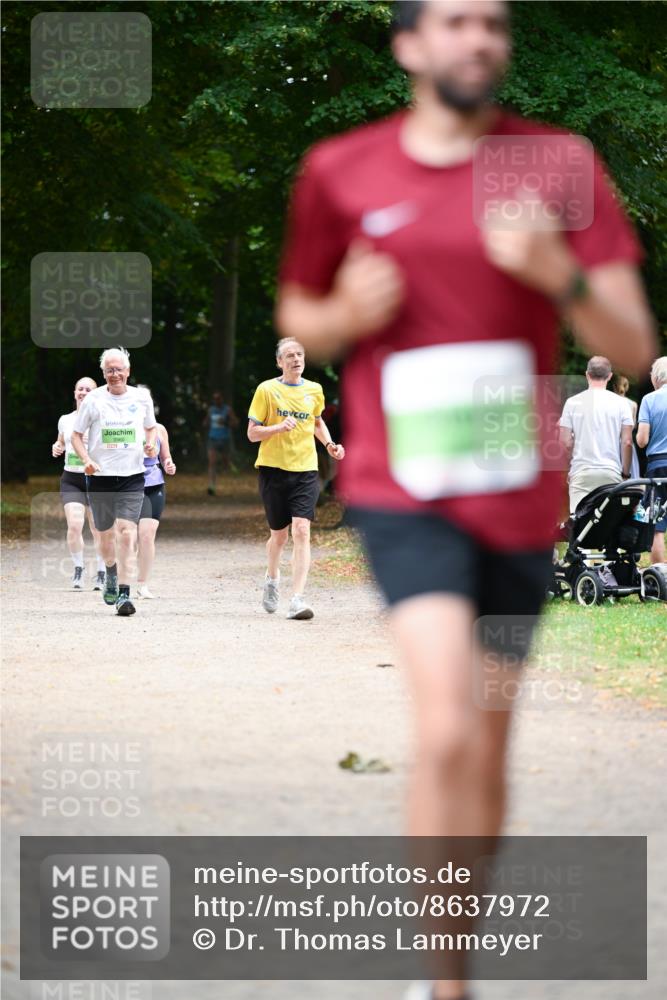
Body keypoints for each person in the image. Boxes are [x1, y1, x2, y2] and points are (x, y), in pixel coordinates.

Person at [275, 1, 656, 996]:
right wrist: (343, 316)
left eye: (491, 22)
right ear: (409, 45)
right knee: (445, 722)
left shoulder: (551, 163)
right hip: (403, 489)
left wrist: (558, 275)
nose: (477, 38)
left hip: (514, 492)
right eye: (453, 21)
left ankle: (451, 967)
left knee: (483, 745)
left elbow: (629, 344)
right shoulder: (341, 169)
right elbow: (299, 311)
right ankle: (441, 984)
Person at [247, 337, 344, 620]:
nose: (296, 359)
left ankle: (298, 599)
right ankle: (272, 578)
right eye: (289, 355)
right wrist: (277, 428)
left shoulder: (315, 390)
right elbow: (252, 433)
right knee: (279, 536)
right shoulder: (267, 390)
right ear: (279, 362)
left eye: (299, 354)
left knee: (301, 529)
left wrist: (329, 445)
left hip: (305, 469)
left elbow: (316, 421)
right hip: (273, 470)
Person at [70, 347, 157, 617]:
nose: (115, 374)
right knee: (105, 536)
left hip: (132, 476)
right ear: (103, 373)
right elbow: (76, 435)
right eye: (110, 370)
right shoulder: (93, 400)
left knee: (128, 533)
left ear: (128, 371)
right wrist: (86, 458)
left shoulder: (141, 397)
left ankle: (124, 594)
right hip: (100, 478)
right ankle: (109, 571)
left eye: (119, 369)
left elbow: (151, 427)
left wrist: (151, 444)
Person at [559, 356, 635, 514]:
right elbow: (627, 441)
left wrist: (568, 470)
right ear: (610, 376)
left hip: (581, 471)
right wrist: (626, 474)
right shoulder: (622, 404)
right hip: (611, 472)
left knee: (580, 525)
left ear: (587, 375)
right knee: (609, 524)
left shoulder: (572, 402)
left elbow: (565, 442)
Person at [51, 377, 107, 590]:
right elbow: (60, 441)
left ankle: (102, 572)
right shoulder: (65, 419)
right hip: (72, 479)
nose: (83, 392)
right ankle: (78, 570)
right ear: (74, 393)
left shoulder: (102, 418)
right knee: (74, 525)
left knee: (98, 529)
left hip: (97, 479)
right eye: (80, 389)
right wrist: (57, 446)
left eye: (88, 389)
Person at [136, 389, 177, 599]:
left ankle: (142, 584)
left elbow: (166, 457)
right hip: (128, 485)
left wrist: (169, 465)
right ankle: (118, 577)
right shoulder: (127, 427)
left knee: (147, 534)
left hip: (154, 484)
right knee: (125, 536)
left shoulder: (160, 429)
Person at [637, 355, 667, 563]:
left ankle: (661, 577)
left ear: (656, 377)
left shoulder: (649, 399)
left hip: (658, 467)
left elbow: (642, 440)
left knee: (657, 527)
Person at [205, 390, 238, 494]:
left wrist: (226, 422)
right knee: (212, 462)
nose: (216, 401)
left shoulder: (227, 410)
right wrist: (205, 423)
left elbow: (235, 423)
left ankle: (229, 465)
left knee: (225, 461)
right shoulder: (211, 410)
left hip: (224, 439)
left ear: (222, 399)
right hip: (213, 439)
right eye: (215, 399)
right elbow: (206, 422)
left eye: (218, 398)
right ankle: (211, 485)